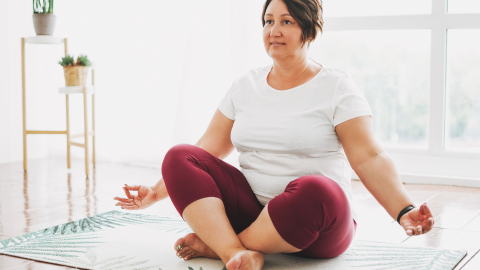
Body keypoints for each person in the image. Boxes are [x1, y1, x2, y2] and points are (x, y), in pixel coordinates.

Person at [114, 0, 435, 269]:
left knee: (316, 188)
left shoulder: (338, 87)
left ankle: (218, 246)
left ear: (309, 30)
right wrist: (154, 193)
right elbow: (206, 149)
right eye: (268, 21)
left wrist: (404, 211)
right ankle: (235, 253)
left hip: (318, 225)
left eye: (286, 21)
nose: (274, 30)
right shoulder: (245, 85)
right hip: (252, 213)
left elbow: (369, 158)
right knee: (179, 154)